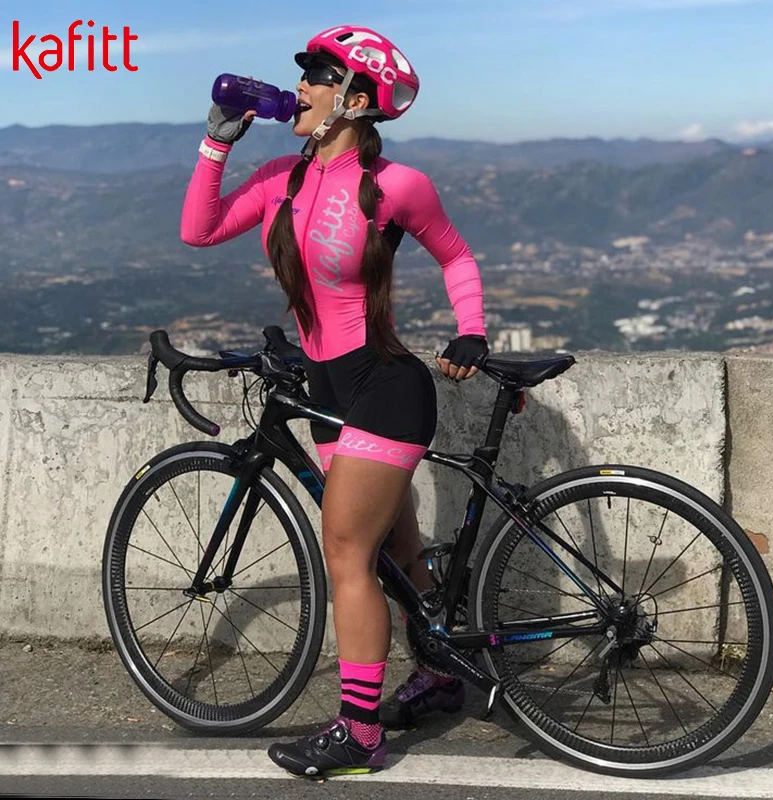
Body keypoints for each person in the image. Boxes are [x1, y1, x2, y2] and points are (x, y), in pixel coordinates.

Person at [180, 24, 489, 777]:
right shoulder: (281, 179)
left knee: (346, 553)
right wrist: (216, 143)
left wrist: (472, 330)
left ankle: (359, 733)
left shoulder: (397, 185)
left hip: (384, 384)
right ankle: (440, 674)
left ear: (355, 99)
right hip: (325, 384)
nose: (302, 86)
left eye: (320, 73)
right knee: (392, 550)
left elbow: (455, 255)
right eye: (306, 72)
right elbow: (199, 230)